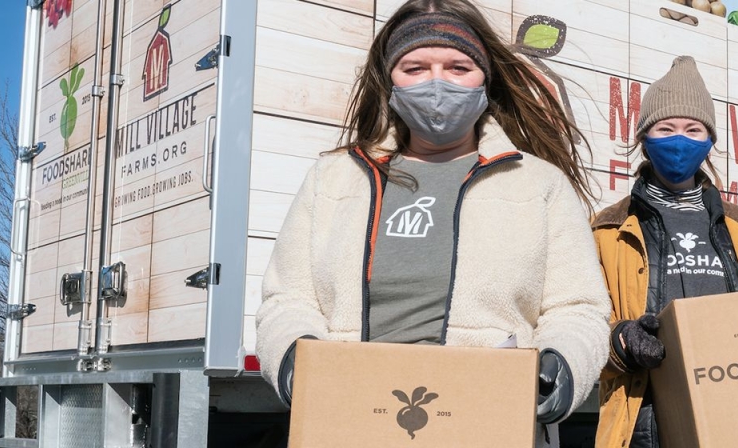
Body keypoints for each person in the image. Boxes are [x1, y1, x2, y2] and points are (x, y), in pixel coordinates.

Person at [254, 0, 610, 443]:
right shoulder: (333, 178)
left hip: (487, 422)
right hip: (349, 420)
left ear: (485, 79)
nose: (437, 83)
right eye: (415, 68)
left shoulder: (539, 184)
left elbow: (577, 308)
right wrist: (293, 356)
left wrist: (564, 361)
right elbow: (288, 300)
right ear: (390, 82)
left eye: (458, 67)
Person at [593, 55, 738, 448]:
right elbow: (583, 324)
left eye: (693, 129)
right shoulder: (607, 230)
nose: (679, 139)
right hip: (642, 421)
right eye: (665, 128)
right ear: (644, 140)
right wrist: (621, 342)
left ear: (710, 141)